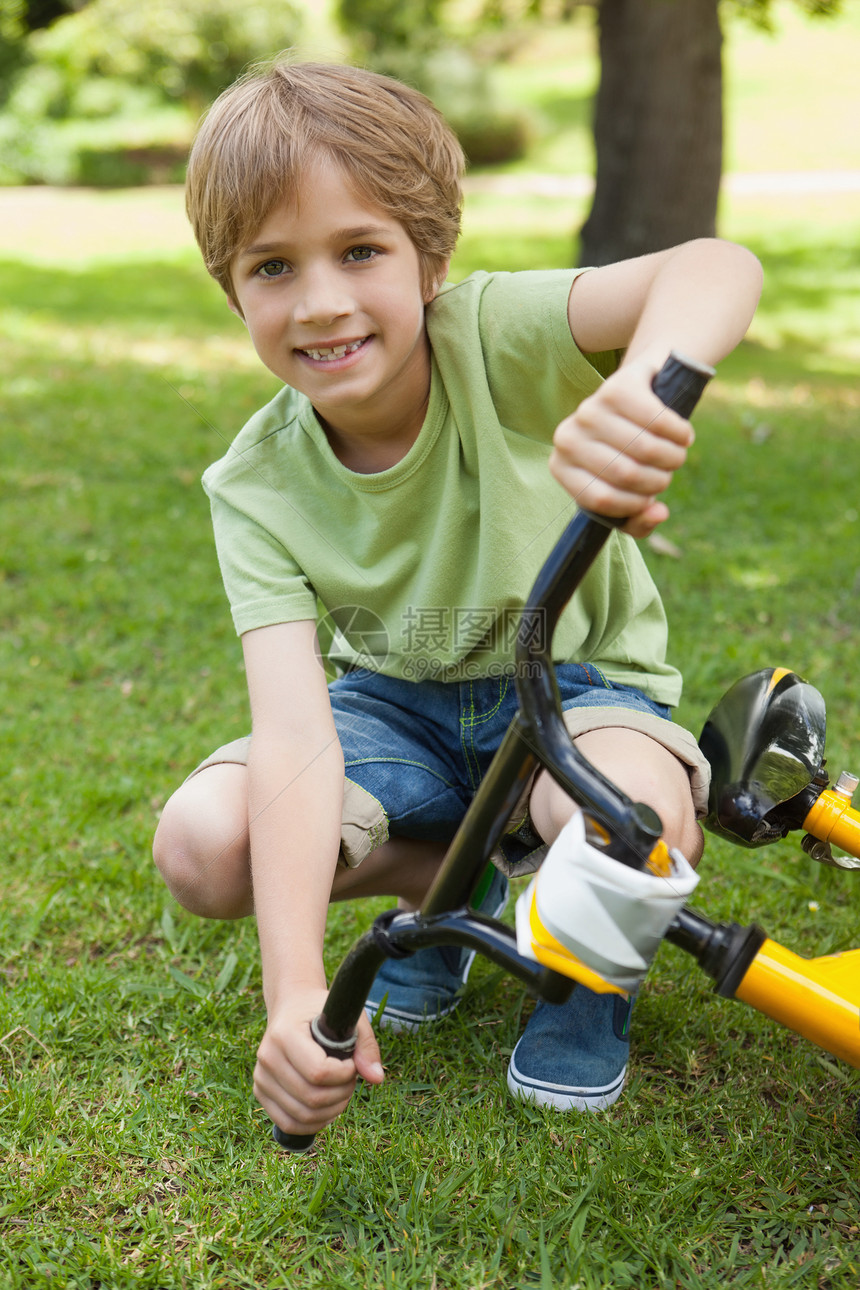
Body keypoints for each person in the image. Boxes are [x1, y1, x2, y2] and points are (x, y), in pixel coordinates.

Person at [153, 58, 762, 1140]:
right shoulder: (251, 486)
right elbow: (295, 738)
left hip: (575, 689)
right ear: (232, 289)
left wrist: (640, 384)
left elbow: (713, 266)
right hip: (397, 712)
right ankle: (464, 881)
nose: (322, 302)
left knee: (625, 818)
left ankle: (581, 982)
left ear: (428, 259)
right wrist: (295, 994)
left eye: (359, 251)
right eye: (272, 267)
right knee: (203, 841)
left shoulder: (491, 336)